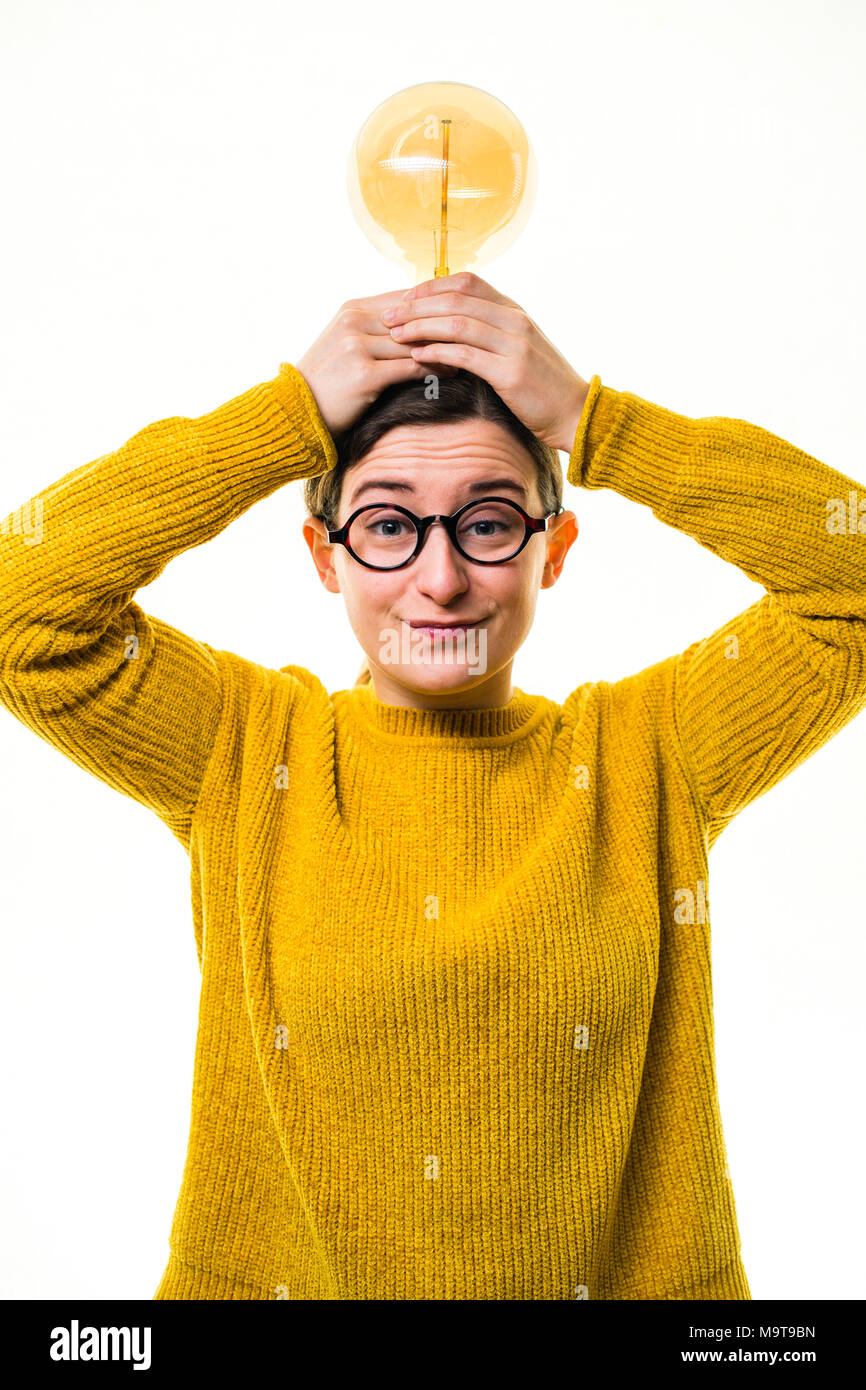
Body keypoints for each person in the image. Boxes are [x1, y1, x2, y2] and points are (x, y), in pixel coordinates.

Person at [1, 271, 863, 1300]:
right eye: (386, 524)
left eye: (490, 522)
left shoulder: (649, 752)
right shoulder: (243, 746)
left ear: (553, 551)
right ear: (325, 557)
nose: (440, 576)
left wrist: (599, 426)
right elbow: (24, 606)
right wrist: (283, 419)